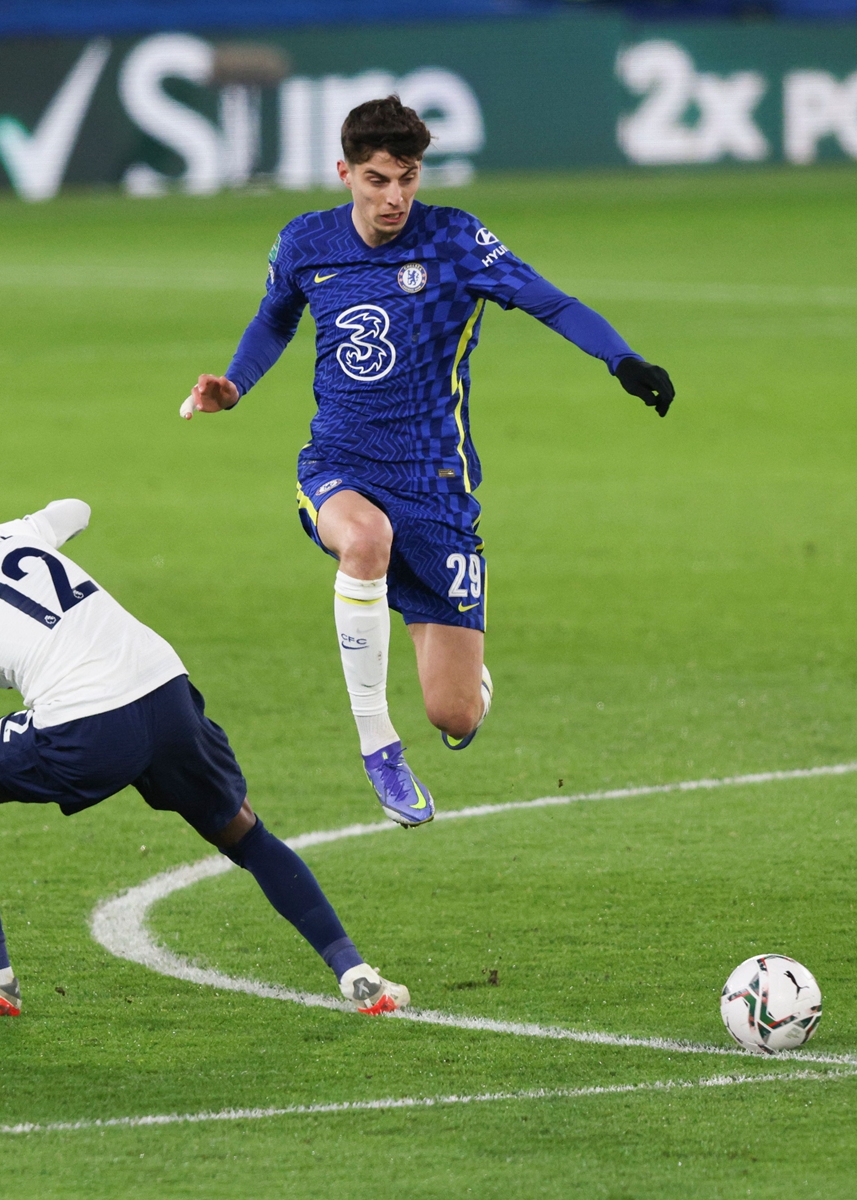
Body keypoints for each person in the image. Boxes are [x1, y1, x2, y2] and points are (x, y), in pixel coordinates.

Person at [183, 96, 675, 829]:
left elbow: (552, 303)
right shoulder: (306, 244)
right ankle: (378, 745)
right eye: (379, 179)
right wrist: (234, 384)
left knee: (455, 715)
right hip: (339, 465)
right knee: (364, 541)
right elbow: (274, 318)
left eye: (408, 178)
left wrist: (623, 361)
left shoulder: (455, 240)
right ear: (345, 171)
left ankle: (467, 685)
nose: (395, 197)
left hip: (436, 487)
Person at [0, 498, 408, 1018]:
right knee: (244, 833)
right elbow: (76, 508)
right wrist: (18, 531)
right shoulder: (3, 536)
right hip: (165, 691)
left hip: (89, 727)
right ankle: (355, 972)